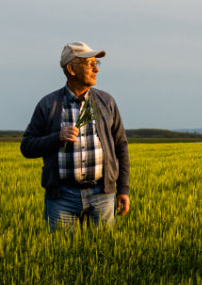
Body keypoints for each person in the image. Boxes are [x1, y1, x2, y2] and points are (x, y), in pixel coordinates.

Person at [20, 42, 132, 229]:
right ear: (71, 69)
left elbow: (120, 146)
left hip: (102, 195)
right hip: (61, 198)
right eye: (90, 64)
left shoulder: (106, 102)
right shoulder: (49, 104)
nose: (96, 69)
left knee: (101, 253)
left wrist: (123, 189)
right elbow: (27, 147)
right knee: (62, 255)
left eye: (97, 63)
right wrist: (57, 137)